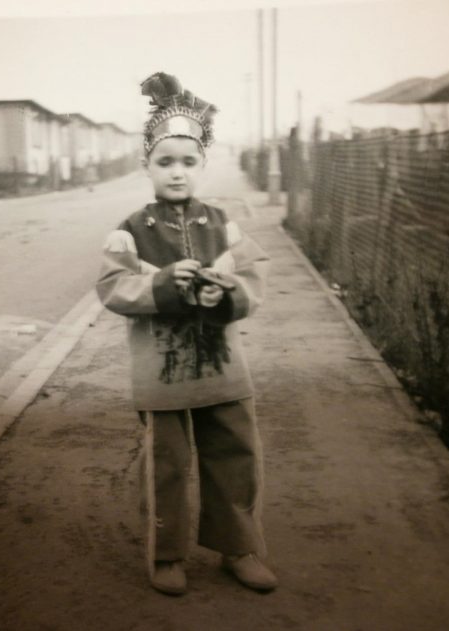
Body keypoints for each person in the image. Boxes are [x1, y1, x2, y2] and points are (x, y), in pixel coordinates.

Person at [96, 72, 277, 596]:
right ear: (146, 165)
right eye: (165, 162)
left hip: (224, 367)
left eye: (188, 162)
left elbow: (255, 275)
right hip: (162, 372)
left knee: (237, 457)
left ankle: (239, 548)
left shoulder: (226, 224)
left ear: (203, 165)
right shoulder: (130, 229)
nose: (177, 173)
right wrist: (161, 285)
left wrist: (231, 292)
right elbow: (112, 287)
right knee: (166, 465)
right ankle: (167, 554)